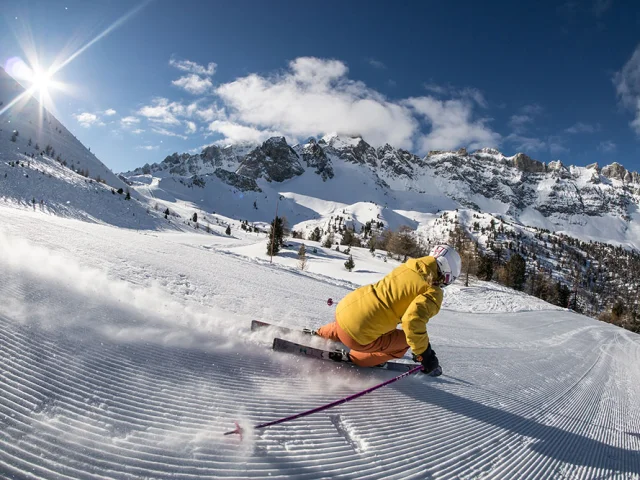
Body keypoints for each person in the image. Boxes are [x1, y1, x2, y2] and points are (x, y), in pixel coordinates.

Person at [316, 244, 461, 375]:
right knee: (403, 342)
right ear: (447, 274)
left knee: (362, 317)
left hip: (345, 308)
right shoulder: (433, 292)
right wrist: (424, 354)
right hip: (358, 334)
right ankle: (357, 358)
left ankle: (320, 333)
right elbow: (412, 322)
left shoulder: (408, 267)